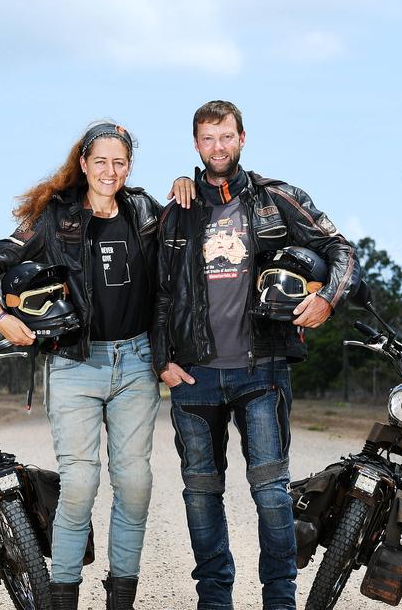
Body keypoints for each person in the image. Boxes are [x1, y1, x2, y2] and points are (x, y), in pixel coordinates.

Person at [0, 120, 192, 610]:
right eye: (100, 161)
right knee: (80, 484)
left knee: (135, 484)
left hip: (135, 362)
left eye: (119, 162)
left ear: (128, 166)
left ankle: (120, 600)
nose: (109, 171)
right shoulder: (55, 218)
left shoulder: (144, 211)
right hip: (75, 364)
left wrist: (185, 182)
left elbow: (184, 236)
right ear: (84, 163)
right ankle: (63, 598)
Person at [151, 100, 357, 610]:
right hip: (194, 376)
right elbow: (157, 293)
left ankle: (279, 600)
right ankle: (214, 599)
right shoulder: (177, 207)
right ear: (196, 145)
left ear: (242, 138)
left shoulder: (277, 199)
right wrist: (161, 359)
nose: (217, 147)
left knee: (271, 494)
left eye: (226, 137)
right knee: (201, 496)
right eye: (207, 139)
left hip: (261, 370)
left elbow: (342, 250)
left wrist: (326, 299)